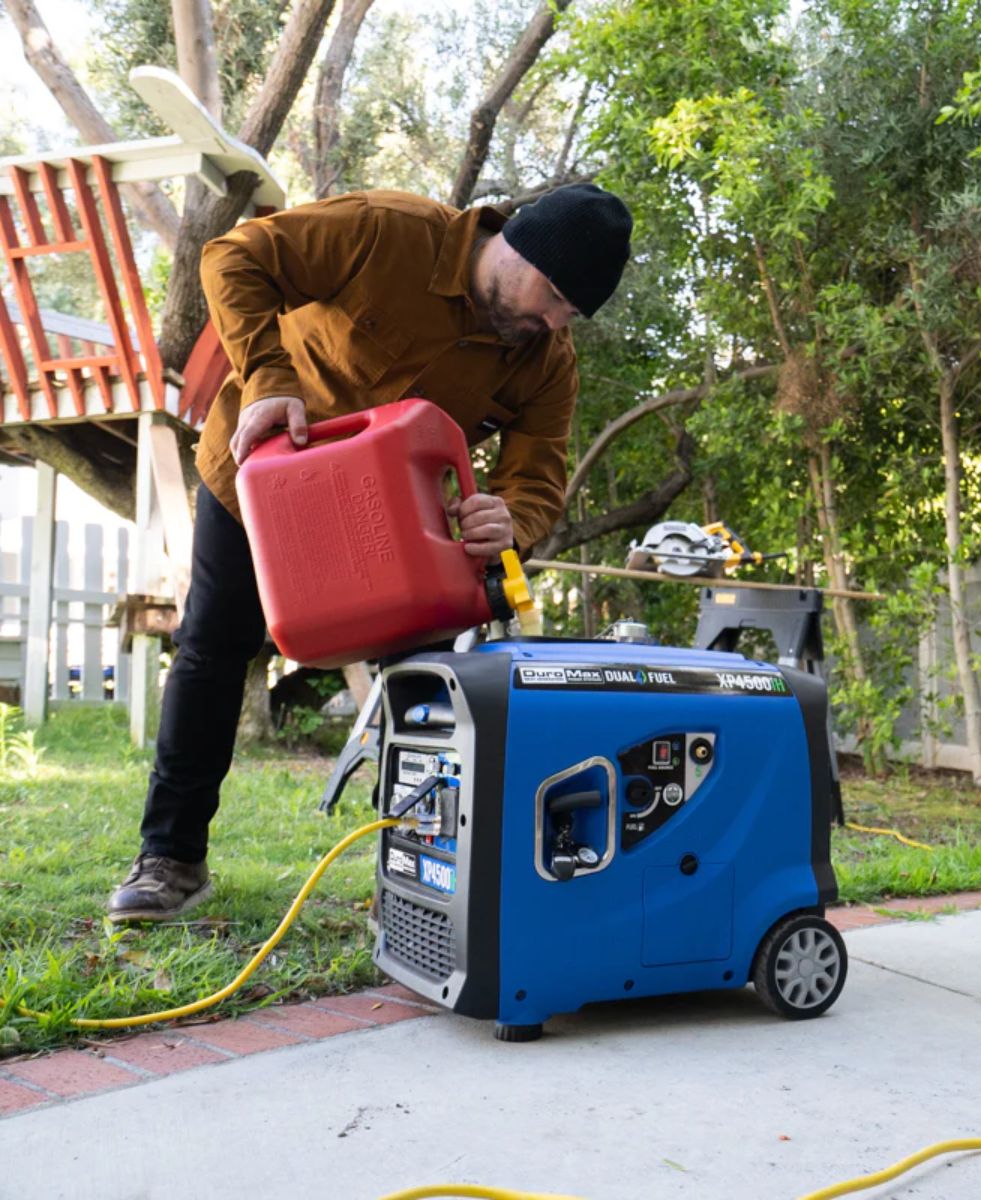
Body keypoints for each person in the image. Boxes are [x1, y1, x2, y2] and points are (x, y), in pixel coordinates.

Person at [107, 183, 633, 922]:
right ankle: (170, 859)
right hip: (263, 483)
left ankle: (417, 881)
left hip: (392, 526)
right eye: (551, 295)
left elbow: (539, 468)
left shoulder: (546, 359)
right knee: (213, 648)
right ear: (516, 244)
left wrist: (509, 520)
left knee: (424, 686)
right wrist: (268, 378)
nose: (552, 321)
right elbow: (235, 259)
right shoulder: (388, 231)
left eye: (569, 313)